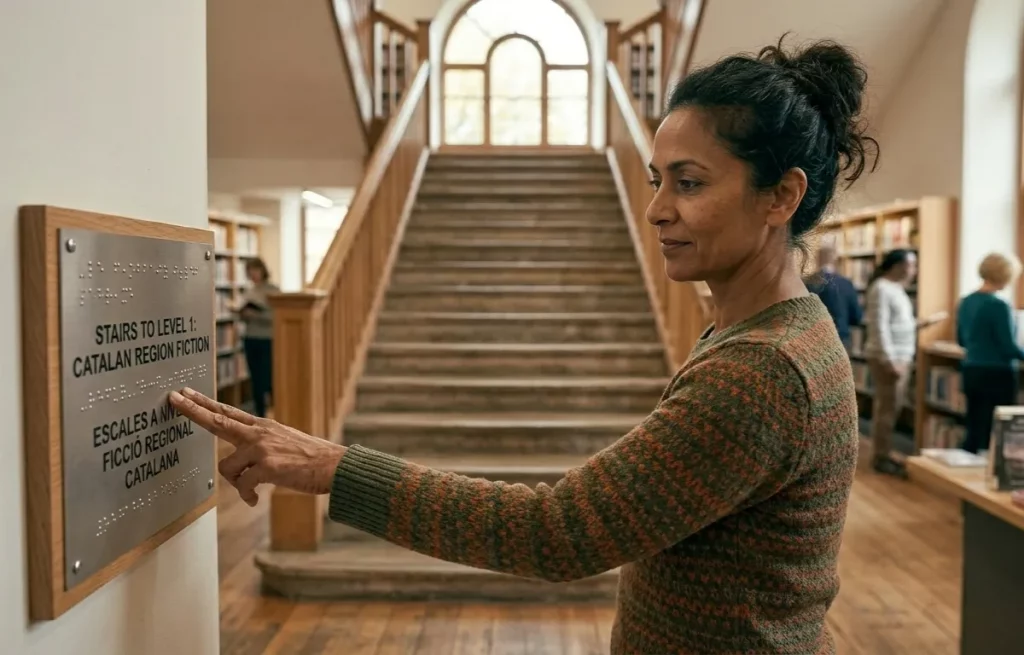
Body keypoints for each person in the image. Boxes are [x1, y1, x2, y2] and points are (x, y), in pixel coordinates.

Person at [172, 37, 871, 654]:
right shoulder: (776, 329)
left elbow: (559, 531)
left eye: (689, 183)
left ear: (780, 197)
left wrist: (331, 466)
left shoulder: (762, 371)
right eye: (658, 180)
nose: (657, 208)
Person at [863, 249, 945, 476]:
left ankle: (886, 452)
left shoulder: (897, 289)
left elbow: (899, 325)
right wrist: (889, 361)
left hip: (902, 355)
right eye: (911, 265)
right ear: (897, 265)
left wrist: (925, 323)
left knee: (894, 407)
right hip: (890, 358)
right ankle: (881, 457)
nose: (914, 270)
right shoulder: (881, 288)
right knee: (887, 409)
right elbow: (879, 327)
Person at [956, 253, 1024, 453]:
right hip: (996, 374)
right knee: (997, 431)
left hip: (971, 371)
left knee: (975, 426)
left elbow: (961, 340)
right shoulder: (999, 305)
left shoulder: (966, 301)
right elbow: (1007, 347)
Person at [236, 258, 278, 417]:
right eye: (249, 271)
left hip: (267, 338)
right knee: (254, 378)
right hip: (250, 338)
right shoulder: (249, 291)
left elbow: (277, 317)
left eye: (255, 270)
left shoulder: (273, 290)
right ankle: (260, 414)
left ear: (262, 270)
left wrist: (258, 315)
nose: (253, 274)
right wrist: (242, 314)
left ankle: (275, 412)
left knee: (268, 377)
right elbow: (244, 315)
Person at [806, 244, 862, 349]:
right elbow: (856, 316)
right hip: (840, 338)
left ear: (817, 259)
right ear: (835, 260)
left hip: (813, 340)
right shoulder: (846, 283)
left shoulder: (806, 283)